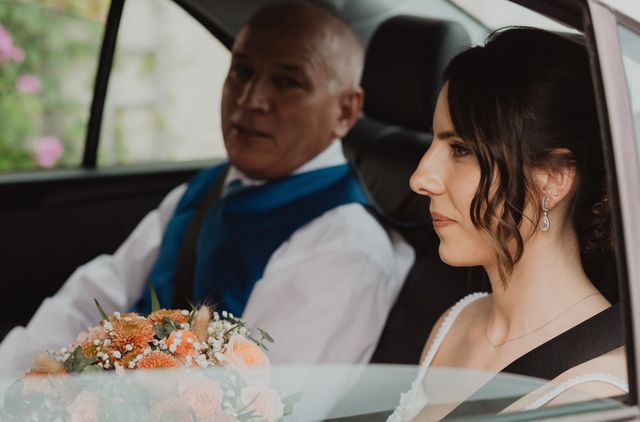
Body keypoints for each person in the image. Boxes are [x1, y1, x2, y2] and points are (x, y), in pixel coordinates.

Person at [0, 1, 413, 377]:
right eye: (242, 71)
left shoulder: (345, 248)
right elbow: (96, 291)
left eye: (287, 82)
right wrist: (18, 376)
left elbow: (262, 414)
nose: (251, 99)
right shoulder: (206, 187)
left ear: (345, 110)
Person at [384, 27, 627, 422]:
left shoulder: (594, 395)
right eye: (433, 143)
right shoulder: (455, 323)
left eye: (460, 149)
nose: (420, 177)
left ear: (552, 178)